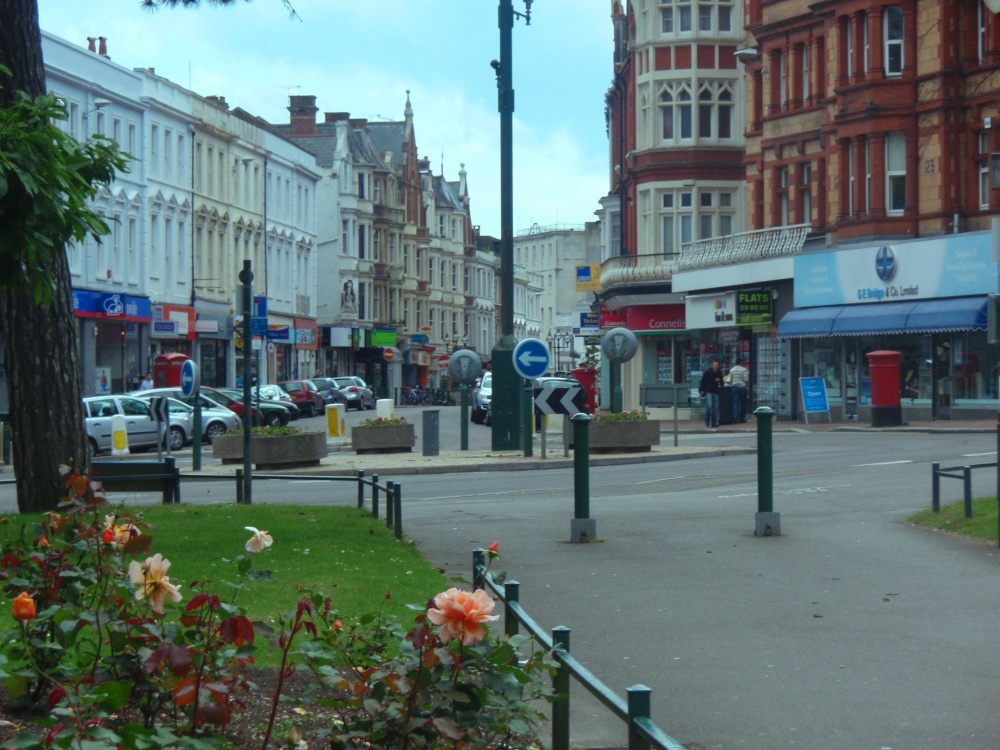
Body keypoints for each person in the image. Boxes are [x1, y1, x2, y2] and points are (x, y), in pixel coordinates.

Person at [698, 359, 724, 428]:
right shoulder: (708, 372)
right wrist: (702, 390)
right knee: (710, 406)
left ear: (718, 366)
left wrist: (720, 380)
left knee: (715, 408)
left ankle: (713, 422)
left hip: (716, 392)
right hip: (709, 391)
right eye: (714, 365)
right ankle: (707, 419)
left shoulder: (719, 373)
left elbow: (722, 384)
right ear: (712, 366)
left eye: (716, 365)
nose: (715, 367)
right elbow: (703, 381)